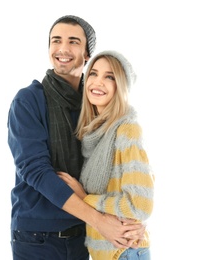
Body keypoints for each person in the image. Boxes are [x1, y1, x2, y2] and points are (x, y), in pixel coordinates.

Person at [7, 15, 146, 260]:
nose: (62, 49)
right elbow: (36, 171)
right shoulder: (28, 101)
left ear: (86, 53)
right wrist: (100, 220)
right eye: (56, 41)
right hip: (38, 238)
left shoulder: (95, 102)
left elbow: (119, 172)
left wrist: (129, 223)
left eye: (73, 41)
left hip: (84, 238)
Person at [58, 50, 155, 260]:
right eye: (93, 73)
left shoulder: (126, 130)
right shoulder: (94, 135)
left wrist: (85, 199)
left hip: (124, 252)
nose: (98, 82)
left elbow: (140, 204)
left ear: (120, 86)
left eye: (109, 77)